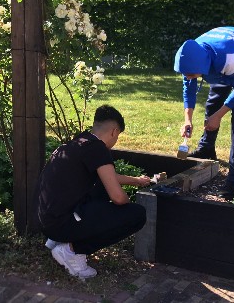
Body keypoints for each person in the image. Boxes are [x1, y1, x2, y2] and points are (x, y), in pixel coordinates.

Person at [36, 105, 151, 279]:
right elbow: (118, 198)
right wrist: (125, 203)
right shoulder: (98, 149)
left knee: (102, 188)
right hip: (61, 224)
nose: (116, 140)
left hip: (47, 219)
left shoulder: (80, 142)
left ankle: (59, 241)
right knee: (136, 215)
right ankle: (71, 251)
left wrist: (137, 181)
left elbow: (108, 177)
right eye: (118, 136)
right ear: (114, 131)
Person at [173, 26, 234, 200]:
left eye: (191, 74)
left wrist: (219, 115)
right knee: (212, 104)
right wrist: (187, 119)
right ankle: (206, 149)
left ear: (202, 65)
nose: (188, 76)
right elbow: (189, 88)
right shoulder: (192, 55)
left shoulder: (228, 60)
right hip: (221, 62)